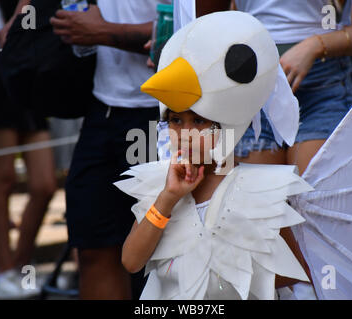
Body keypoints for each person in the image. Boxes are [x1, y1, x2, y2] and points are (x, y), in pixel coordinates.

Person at [118, 11, 313, 300]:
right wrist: (168, 199)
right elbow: (131, 262)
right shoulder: (158, 185)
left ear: (228, 125)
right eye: (175, 120)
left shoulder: (260, 193)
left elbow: (294, 275)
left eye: (199, 122)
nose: (185, 132)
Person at [50, 0, 170, 299]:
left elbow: (184, 32)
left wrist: (101, 32)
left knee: (161, 255)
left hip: (161, 116)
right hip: (101, 111)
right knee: (92, 246)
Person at [231, 0, 352, 175]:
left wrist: (316, 45)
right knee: (255, 199)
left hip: (321, 85)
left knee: (311, 196)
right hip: (252, 86)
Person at [0, 0, 57, 299]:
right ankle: (6, 272)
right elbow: (0, 32)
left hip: (30, 75)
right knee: (3, 177)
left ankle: (19, 267)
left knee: (44, 184)